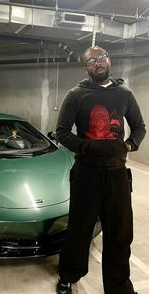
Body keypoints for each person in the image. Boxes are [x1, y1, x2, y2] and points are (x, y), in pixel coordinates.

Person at [55, 46, 146, 294]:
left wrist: (129, 144)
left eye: (102, 57)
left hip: (117, 174)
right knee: (79, 230)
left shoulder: (124, 94)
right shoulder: (76, 95)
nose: (98, 62)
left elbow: (139, 126)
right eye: (91, 60)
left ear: (109, 60)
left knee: (120, 234)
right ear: (86, 67)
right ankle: (68, 275)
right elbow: (61, 132)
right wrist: (86, 147)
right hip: (87, 174)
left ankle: (119, 288)